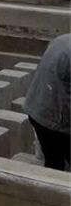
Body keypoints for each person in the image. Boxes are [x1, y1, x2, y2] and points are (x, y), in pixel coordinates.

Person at [24, 33, 70, 171]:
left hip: (36, 107)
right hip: (52, 119)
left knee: (53, 160)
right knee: (55, 160)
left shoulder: (62, 39)